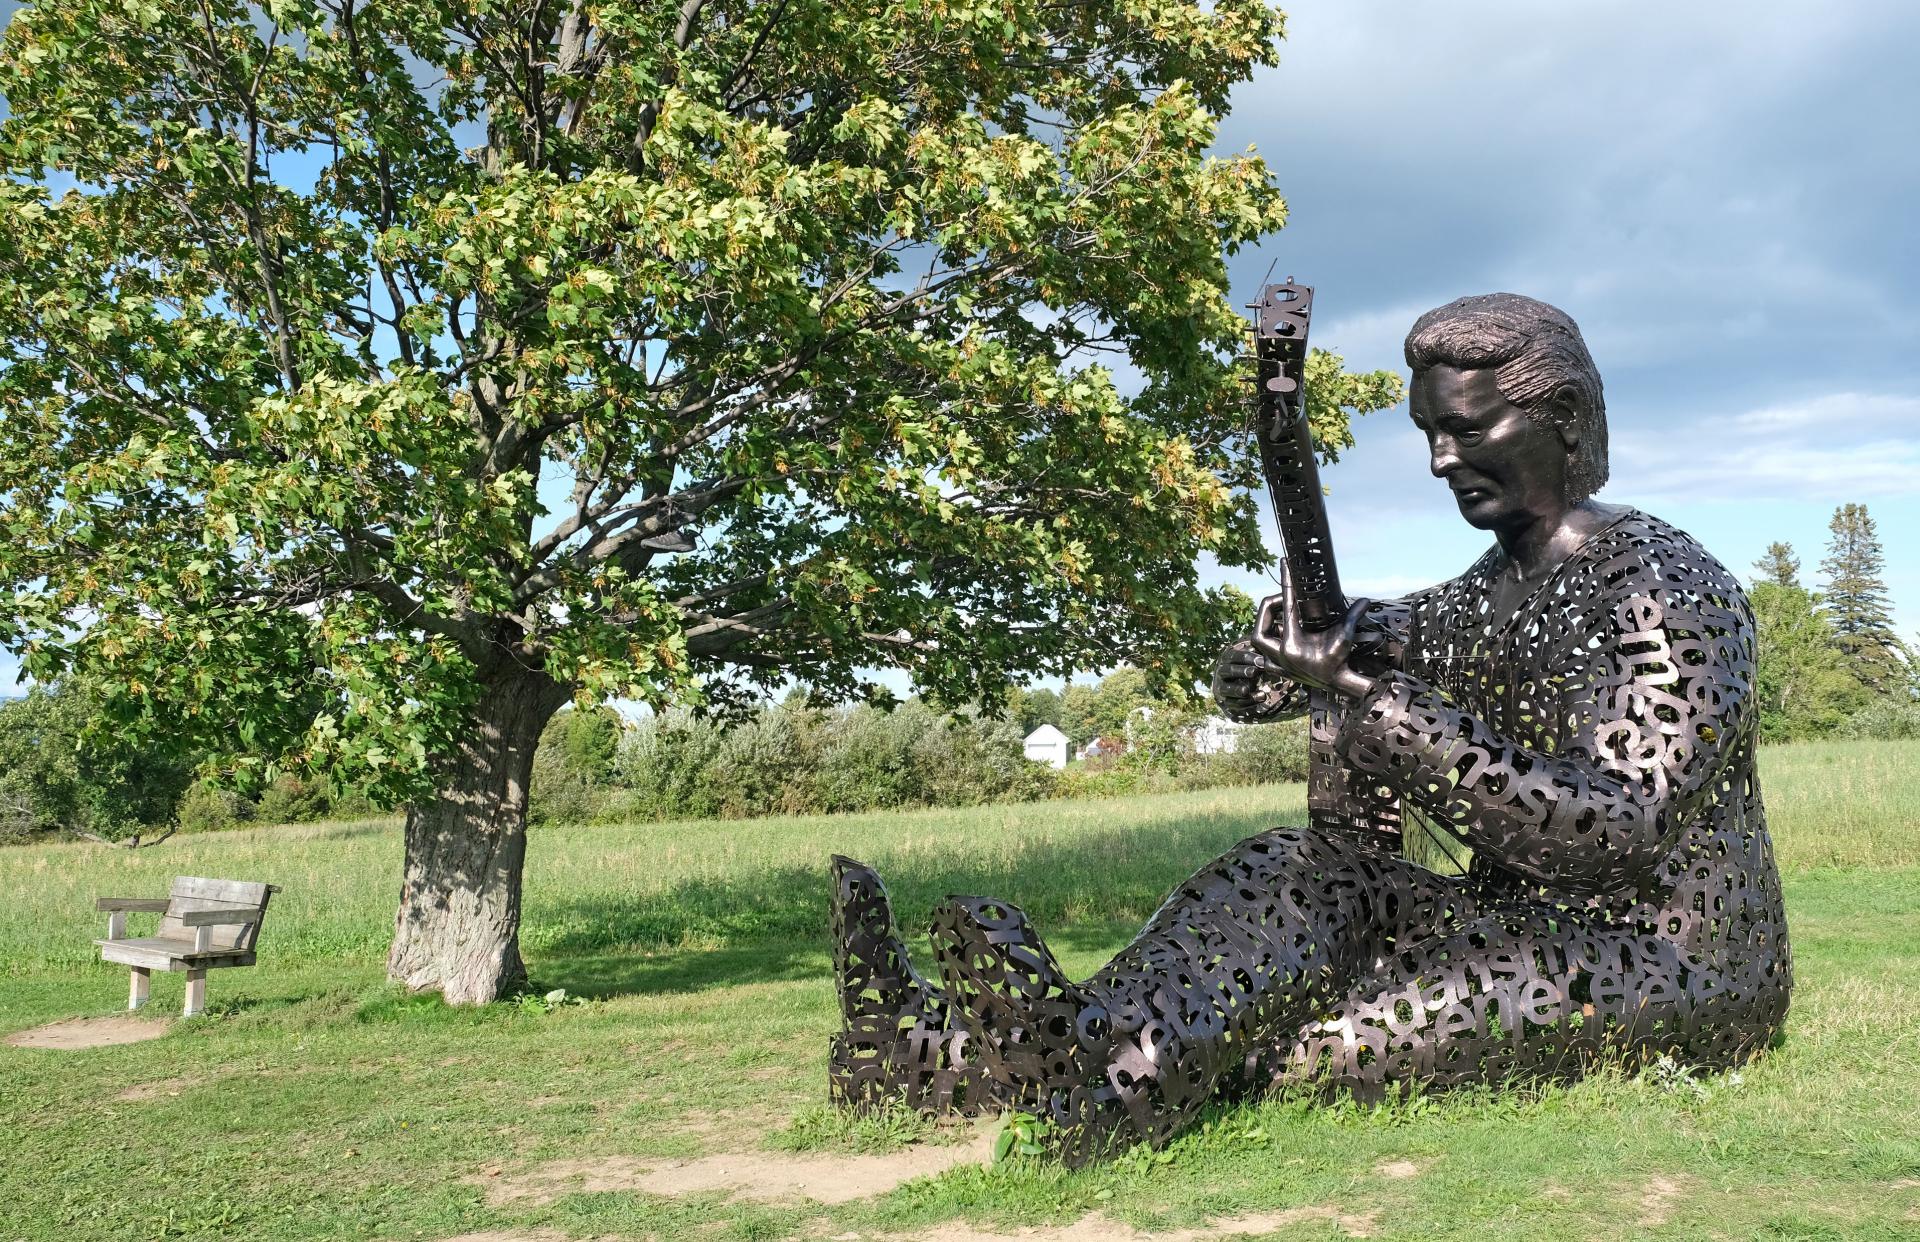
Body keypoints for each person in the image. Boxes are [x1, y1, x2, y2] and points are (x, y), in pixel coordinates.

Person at [828, 293, 1792, 1164]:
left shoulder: (1666, 587)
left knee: (1322, 1034)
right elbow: (1298, 666)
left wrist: (1374, 703)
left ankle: (1087, 1074)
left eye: (1465, 427)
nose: (1440, 460)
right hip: (1520, 928)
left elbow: (1612, 835)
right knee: (1291, 871)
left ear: (1564, 418)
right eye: (1427, 433)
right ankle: (954, 1047)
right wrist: (1259, 664)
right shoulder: (1480, 598)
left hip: (1670, 967)